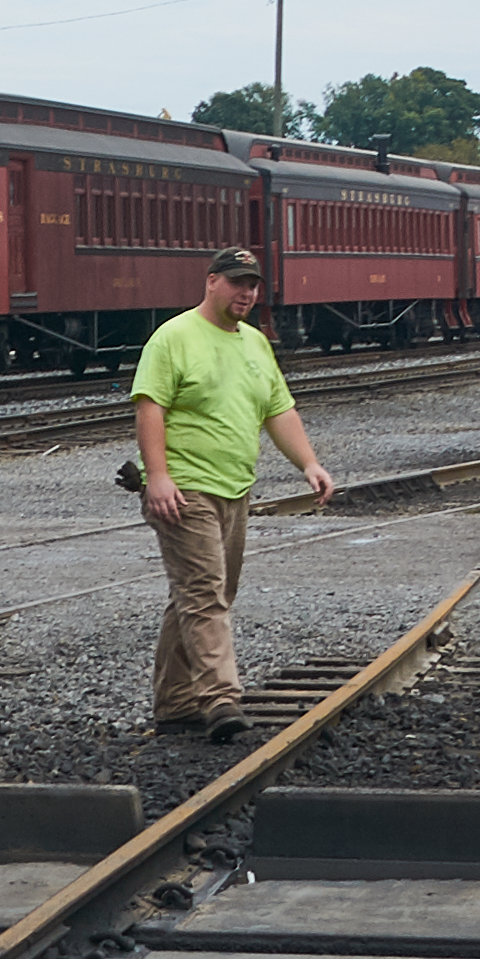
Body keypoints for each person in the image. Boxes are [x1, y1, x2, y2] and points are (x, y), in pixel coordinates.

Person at [133, 245, 339, 733]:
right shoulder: (173, 338)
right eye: (236, 282)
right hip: (185, 488)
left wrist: (308, 463)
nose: (246, 292)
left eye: (252, 285)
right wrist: (158, 476)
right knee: (205, 594)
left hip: (235, 488)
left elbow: (278, 411)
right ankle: (221, 699)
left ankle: (174, 701)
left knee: (204, 591)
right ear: (211, 282)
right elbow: (150, 408)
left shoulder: (255, 343)